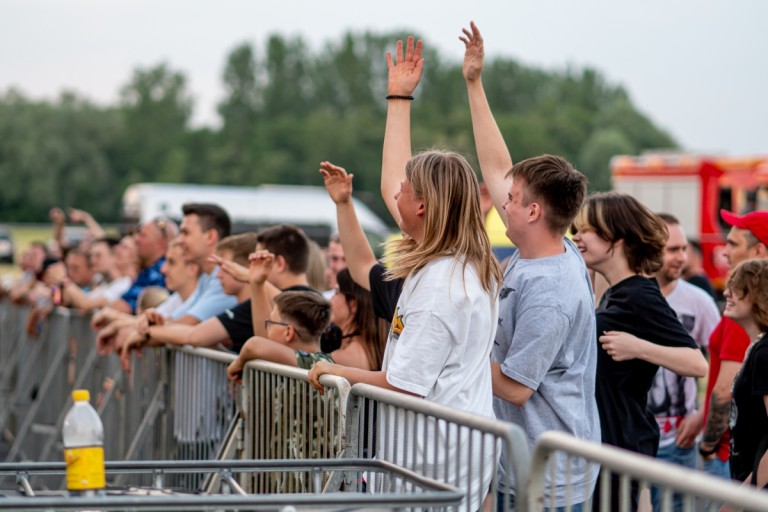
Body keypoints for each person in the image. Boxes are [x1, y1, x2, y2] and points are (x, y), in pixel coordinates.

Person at [308, 35, 501, 512]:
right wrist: (399, 99)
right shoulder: (445, 262)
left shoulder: (441, 286)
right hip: (435, 457)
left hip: (431, 465)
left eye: (404, 191)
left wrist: (334, 372)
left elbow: (404, 384)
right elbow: (364, 265)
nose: (394, 195)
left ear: (423, 205)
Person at [461, 21, 599, 510]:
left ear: (534, 211)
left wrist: (456, 347)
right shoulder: (539, 250)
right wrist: (475, 84)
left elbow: (517, 389)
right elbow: (498, 168)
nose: (502, 200)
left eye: (512, 199)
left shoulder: (552, 290)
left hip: (549, 482)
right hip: (523, 467)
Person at [571, 192, 707, 511]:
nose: (576, 237)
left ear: (615, 239)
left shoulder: (641, 295)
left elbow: (696, 363)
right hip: (603, 446)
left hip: (620, 448)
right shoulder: (616, 291)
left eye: (585, 230)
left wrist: (638, 348)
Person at [642, 214, 720, 511]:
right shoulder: (628, 295)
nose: (683, 258)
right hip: (630, 439)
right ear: (650, 249)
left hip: (678, 440)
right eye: (673, 250)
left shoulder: (698, 301)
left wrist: (703, 414)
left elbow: (723, 361)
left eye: (684, 249)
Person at [699, 210, 768, 479]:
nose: (723, 251)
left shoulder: (747, 318)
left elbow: (725, 389)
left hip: (732, 458)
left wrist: (707, 444)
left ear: (759, 250)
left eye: (733, 244)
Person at [721, 259, 768, 487]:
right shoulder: (758, 348)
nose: (726, 293)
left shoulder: (765, 352)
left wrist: (743, 496)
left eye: (737, 288)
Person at [109, 217, 177, 314]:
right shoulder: (149, 270)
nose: (136, 239)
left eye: (143, 235)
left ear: (160, 243)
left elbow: (121, 308)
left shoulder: (159, 271)